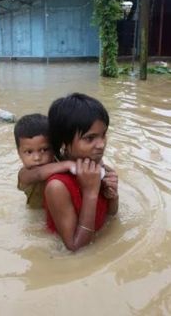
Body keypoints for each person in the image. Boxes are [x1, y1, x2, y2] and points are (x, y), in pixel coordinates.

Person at [45, 93, 119, 251]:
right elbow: (75, 247)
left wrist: (113, 194)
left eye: (103, 135)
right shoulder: (57, 186)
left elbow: (111, 215)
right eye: (90, 138)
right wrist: (91, 192)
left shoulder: (96, 165)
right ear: (64, 143)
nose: (101, 145)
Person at [14, 113, 76, 209]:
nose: (37, 158)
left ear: (55, 148)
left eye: (44, 150)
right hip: (36, 212)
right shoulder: (24, 174)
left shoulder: (59, 162)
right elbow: (39, 174)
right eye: (29, 152)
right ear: (19, 153)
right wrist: (68, 165)